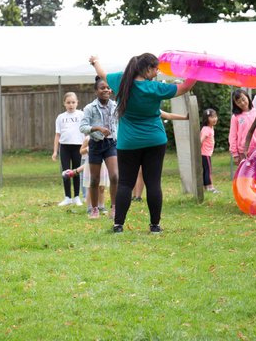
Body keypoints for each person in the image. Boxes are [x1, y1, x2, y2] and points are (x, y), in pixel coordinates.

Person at [89, 53, 195, 233]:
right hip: (155, 140)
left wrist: (96, 62)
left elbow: (102, 73)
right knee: (153, 182)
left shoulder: (121, 81)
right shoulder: (155, 88)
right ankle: (155, 226)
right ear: (147, 69)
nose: (157, 71)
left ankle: (118, 225)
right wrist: (196, 72)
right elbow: (184, 87)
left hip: (128, 142)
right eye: (155, 68)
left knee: (125, 184)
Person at [79, 77, 119, 219]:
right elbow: (82, 127)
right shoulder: (90, 108)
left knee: (114, 176)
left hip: (111, 144)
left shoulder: (115, 105)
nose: (106, 90)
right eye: (102, 88)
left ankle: (114, 208)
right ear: (96, 91)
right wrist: (97, 128)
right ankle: (94, 209)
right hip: (96, 144)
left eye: (108, 88)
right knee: (95, 180)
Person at [132, 110, 189, 201]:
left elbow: (168, 115)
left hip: (149, 143)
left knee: (141, 171)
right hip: (137, 141)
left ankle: (137, 196)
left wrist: (185, 117)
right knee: (136, 171)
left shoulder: (153, 108)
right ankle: (134, 195)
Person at [52, 92, 84, 207]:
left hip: (78, 146)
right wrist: (55, 151)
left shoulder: (81, 115)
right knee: (65, 172)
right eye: (68, 103)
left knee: (75, 172)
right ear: (64, 104)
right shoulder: (61, 117)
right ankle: (67, 197)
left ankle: (76, 197)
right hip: (65, 147)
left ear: (77, 103)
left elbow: (86, 130)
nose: (71, 105)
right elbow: (57, 135)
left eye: (73, 102)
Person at [229, 89, 256, 165]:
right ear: (235, 104)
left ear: (247, 97)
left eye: (243, 99)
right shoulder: (235, 117)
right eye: (238, 102)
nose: (242, 103)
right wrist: (235, 154)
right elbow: (232, 136)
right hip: (243, 152)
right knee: (245, 175)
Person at [200, 108, 220, 193]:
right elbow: (200, 140)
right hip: (205, 153)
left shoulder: (210, 128)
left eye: (215, 116)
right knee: (208, 170)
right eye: (211, 117)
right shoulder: (206, 129)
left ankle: (206, 186)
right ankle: (210, 187)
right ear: (206, 119)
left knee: (206, 170)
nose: (214, 119)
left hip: (206, 153)